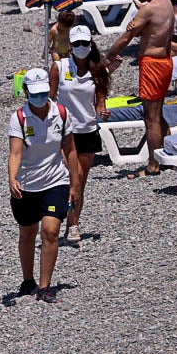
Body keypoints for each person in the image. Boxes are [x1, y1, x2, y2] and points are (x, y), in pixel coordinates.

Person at [7, 68, 78, 304]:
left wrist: (75, 185)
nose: (39, 98)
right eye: (34, 93)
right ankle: (28, 280)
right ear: (26, 92)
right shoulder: (19, 118)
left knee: (50, 231)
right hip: (27, 184)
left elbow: (70, 150)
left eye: (43, 92)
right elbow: (15, 152)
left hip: (55, 181)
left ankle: (45, 286)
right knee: (27, 232)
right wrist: (12, 177)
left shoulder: (61, 113)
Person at [104, 0, 175, 177]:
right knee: (158, 113)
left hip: (152, 63)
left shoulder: (148, 10)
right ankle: (168, 156)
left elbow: (126, 38)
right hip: (165, 61)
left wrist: (108, 57)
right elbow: (154, 26)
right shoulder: (166, 3)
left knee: (150, 117)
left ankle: (153, 165)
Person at [49, 25, 109, 246]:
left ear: (90, 44)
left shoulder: (97, 69)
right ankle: (56, 221)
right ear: (71, 46)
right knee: (68, 179)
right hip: (65, 133)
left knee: (80, 182)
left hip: (88, 130)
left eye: (85, 43)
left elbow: (100, 98)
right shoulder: (59, 67)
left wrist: (102, 110)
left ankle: (72, 224)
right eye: (77, 44)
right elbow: (51, 97)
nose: (81, 47)